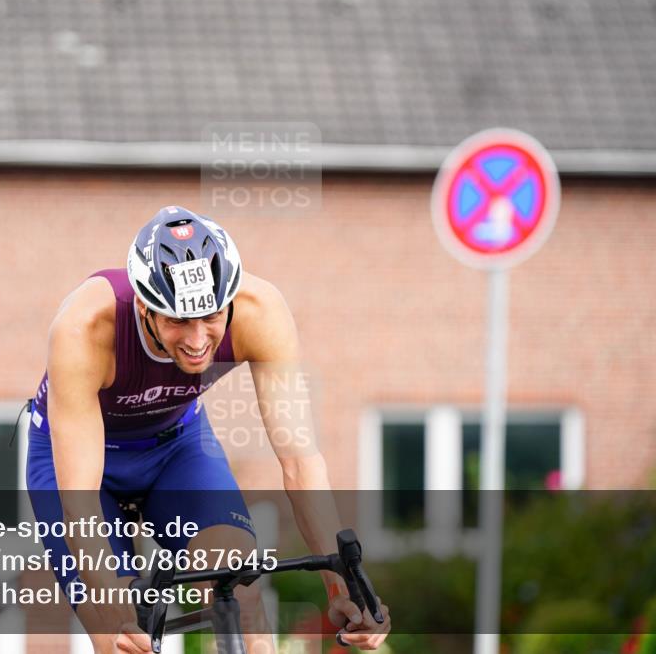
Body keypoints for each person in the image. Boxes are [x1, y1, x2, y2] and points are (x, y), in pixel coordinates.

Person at [26, 206, 390, 652]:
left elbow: (300, 462)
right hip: (76, 463)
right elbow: (80, 503)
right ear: (144, 307)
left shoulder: (260, 312)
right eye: (178, 320)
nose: (198, 341)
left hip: (176, 447)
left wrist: (341, 586)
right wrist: (113, 608)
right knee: (121, 634)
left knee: (239, 590)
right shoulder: (84, 328)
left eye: (212, 316)